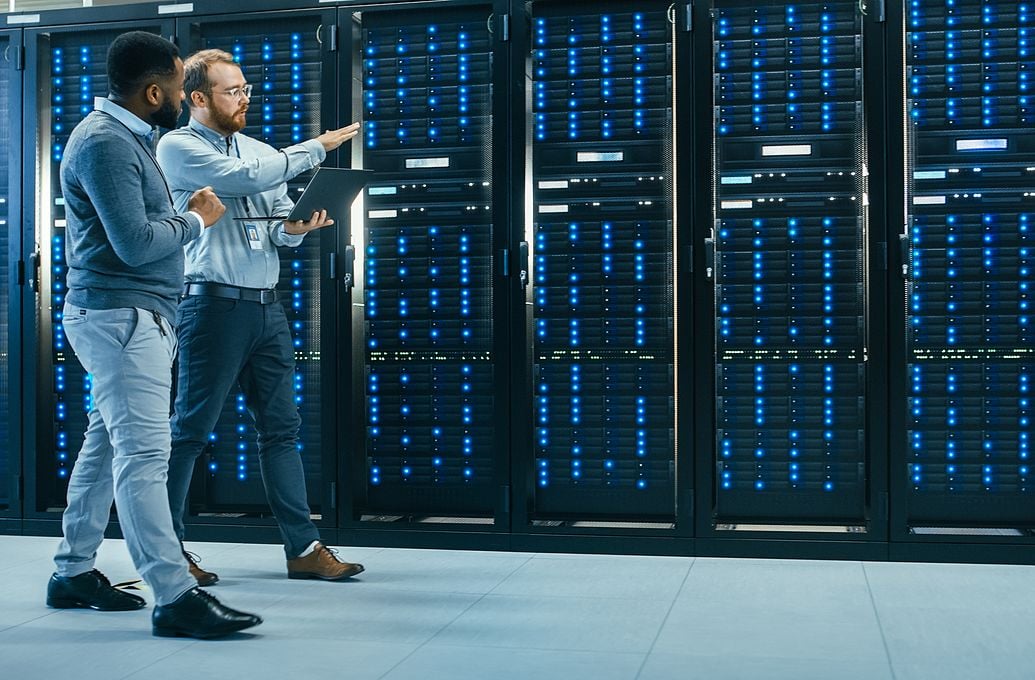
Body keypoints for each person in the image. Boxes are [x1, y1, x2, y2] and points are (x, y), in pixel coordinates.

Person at [46, 31, 261, 639]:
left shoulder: (128, 138)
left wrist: (179, 214)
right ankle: (175, 595)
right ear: (151, 90)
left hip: (132, 316)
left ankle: (72, 570)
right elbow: (136, 245)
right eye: (175, 84)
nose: (182, 95)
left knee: (106, 448)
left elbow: (139, 230)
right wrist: (195, 219)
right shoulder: (107, 143)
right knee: (145, 455)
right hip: (121, 317)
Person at [156, 48, 364, 584]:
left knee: (281, 430)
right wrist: (314, 148)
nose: (244, 98)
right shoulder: (178, 147)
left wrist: (292, 230)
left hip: (266, 308)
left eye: (246, 89)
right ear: (198, 98)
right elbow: (246, 180)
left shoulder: (258, 150)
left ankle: (304, 549)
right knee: (191, 431)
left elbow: (270, 217)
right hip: (211, 305)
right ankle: (169, 550)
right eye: (233, 91)